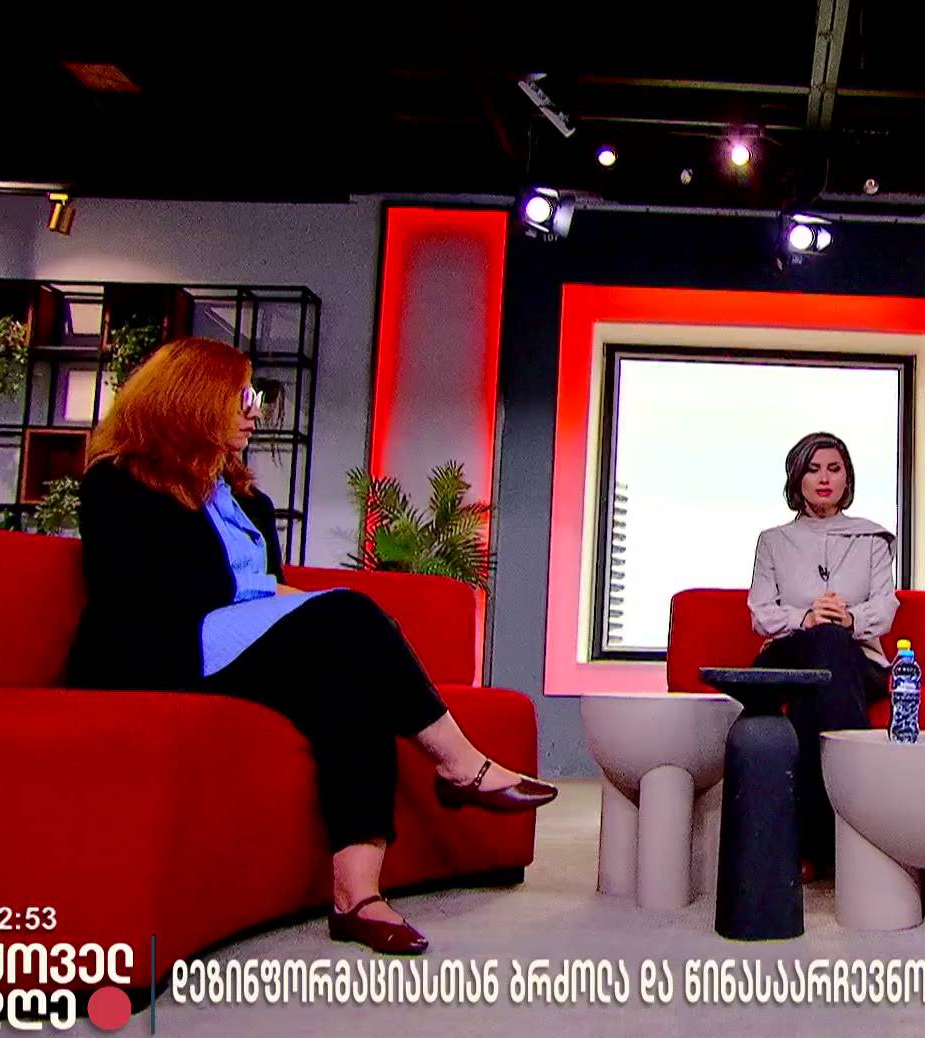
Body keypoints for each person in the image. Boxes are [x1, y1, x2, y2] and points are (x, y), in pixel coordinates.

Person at [64, 337, 556, 956]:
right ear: (194, 399)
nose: (254, 411)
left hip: (232, 648)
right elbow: (158, 593)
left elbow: (265, 585)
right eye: (241, 397)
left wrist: (309, 609)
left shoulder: (247, 500)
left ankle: (357, 896)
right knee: (346, 615)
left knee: (351, 684)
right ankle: (460, 766)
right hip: (159, 651)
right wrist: (302, 607)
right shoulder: (119, 481)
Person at [747, 431, 900, 881]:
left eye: (834, 469)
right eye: (813, 469)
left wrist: (849, 619)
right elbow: (761, 612)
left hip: (856, 658)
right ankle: (857, 832)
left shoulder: (871, 539)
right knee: (823, 645)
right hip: (788, 653)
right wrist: (807, 618)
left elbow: (886, 606)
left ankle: (807, 845)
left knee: (828, 656)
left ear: (847, 478)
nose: (824, 478)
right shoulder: (773, 541)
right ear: (797, 478)